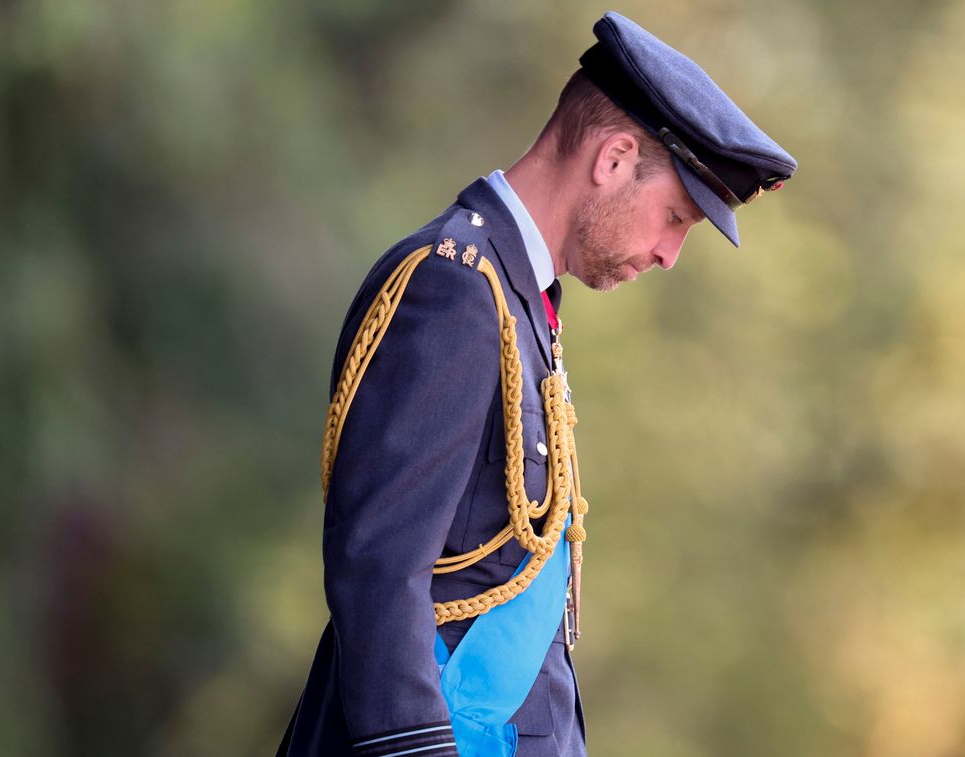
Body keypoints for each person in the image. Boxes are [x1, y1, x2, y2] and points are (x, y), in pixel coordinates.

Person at [277, 12, 796, 757]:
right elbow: (379, 573)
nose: (670, 254)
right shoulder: (452, 290)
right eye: (676, 216)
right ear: (614, 158)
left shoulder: (522, 299)